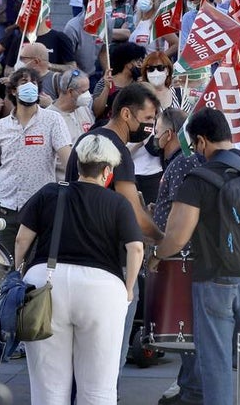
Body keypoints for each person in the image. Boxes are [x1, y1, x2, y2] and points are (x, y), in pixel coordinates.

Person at [156, 108, 240, 405]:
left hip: (214, 281)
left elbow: (176, 238)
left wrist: (156, 253)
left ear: (201, 141)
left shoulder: (198, 177)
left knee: (215, 366)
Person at [15, 133, 144, 405]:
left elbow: (22, 239)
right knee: (98, 387)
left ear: (78, 164)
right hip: (101, 289)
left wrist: (18, 272)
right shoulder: (118, 203)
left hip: (46, 284)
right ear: (108, 170)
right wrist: (129, 289)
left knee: (48, 387)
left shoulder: (50, 192)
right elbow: (136, 248)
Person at [0, 68, 74, 254]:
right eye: (24, 82)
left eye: (34, 83)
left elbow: (69, 161)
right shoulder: (1, 126)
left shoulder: (52, 120)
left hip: (41, 208)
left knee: (35, 271)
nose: (29, 86)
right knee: (7, 269)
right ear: (14, 90)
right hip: (7, 209)